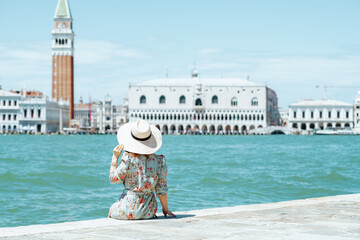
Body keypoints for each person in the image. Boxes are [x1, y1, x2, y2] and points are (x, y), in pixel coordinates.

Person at [108, 119, 176, 220]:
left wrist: (115, 159)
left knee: (111, 210)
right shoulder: (160, 161)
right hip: (149, 210)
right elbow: (161, 189)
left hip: (128, 208)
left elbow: (113, 179)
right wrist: (165, 209)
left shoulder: (128, 158)